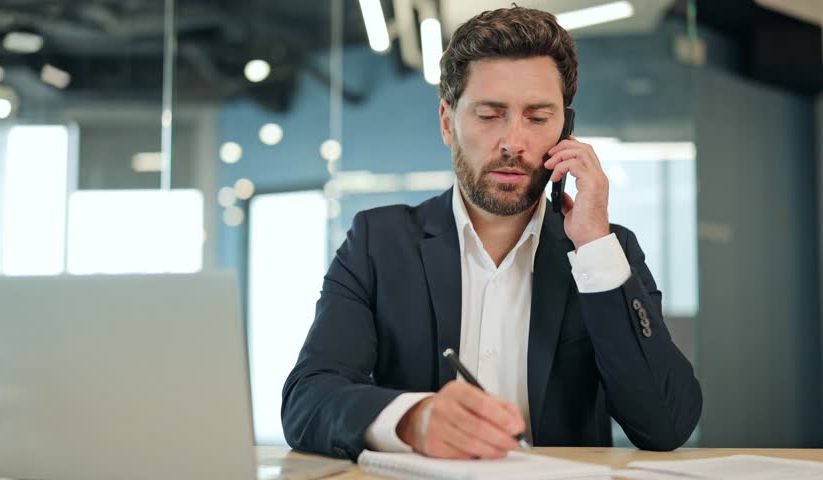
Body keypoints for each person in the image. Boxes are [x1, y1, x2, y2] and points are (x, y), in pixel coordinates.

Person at [282, 6, 702, 461]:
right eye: (489, 115)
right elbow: (307, 401)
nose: (512, 143)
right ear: (448, 122)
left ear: (566, 131)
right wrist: (413, 419)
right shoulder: (378, 243)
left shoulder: (605, 251)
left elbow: (666, 424)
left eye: (538, 118)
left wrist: (594, 249)